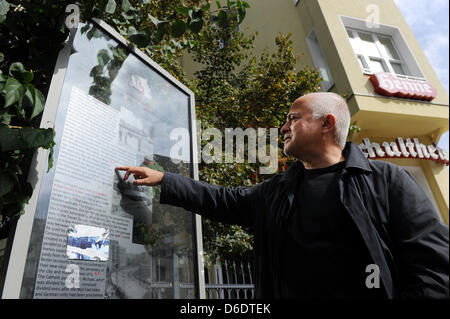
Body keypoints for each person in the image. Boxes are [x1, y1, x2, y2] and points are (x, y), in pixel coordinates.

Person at [116, 92, 449, 299]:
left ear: (326, 123)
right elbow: (222, 200)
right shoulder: (278, 190)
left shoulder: (387, 181)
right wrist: (165, 179)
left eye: (293, 118)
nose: (284, 127)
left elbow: (434, 268)